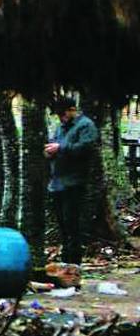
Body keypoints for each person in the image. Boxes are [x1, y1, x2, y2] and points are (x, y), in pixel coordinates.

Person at [44, 95, 98, 265]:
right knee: (62, 224)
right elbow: (55, 144)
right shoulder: (61, 127)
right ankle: (65, 260)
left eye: (63, 114)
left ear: (72, 110)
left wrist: (61, 148)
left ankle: (74, 262)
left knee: (71, 223)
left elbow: (86, 148)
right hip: (57, 183)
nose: (61, 118)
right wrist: (50, 151)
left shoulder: (85, 126)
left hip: (74, 182)